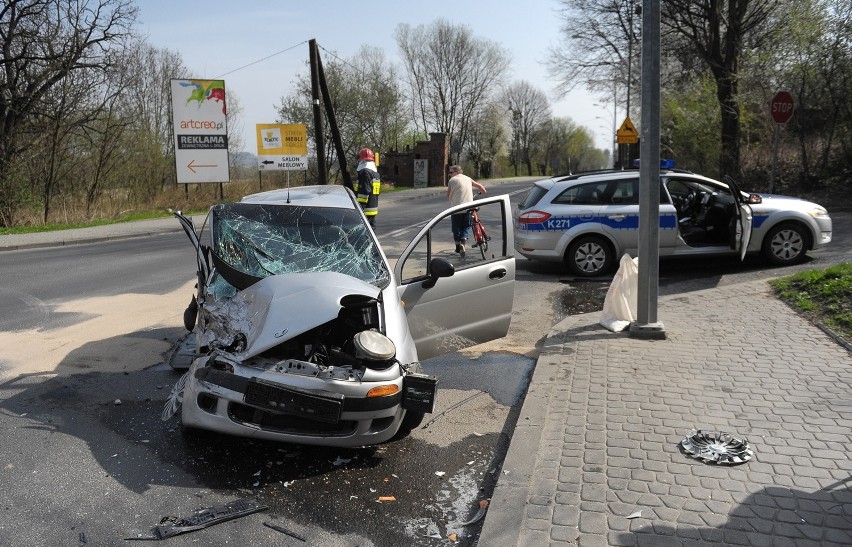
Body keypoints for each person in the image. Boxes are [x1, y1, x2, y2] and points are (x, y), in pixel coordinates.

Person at [446, 165, 486, 257]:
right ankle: (463, 244)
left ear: (456, 172)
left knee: (456, 229)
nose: (450, 174)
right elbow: (481, 187)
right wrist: (482, 191)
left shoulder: (452, 180)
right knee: (465, 227)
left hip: (456, 209)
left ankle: (457, 247)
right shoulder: (468, 178)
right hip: (468, 208)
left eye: (451, 172)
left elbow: (448, 194)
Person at [355, 148, 381, 226]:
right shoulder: (375, 174)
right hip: (372, 209)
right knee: (371, 233)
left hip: (365, 211)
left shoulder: (365, 173)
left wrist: (360, 208)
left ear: (361, 160)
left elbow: (364, 192)